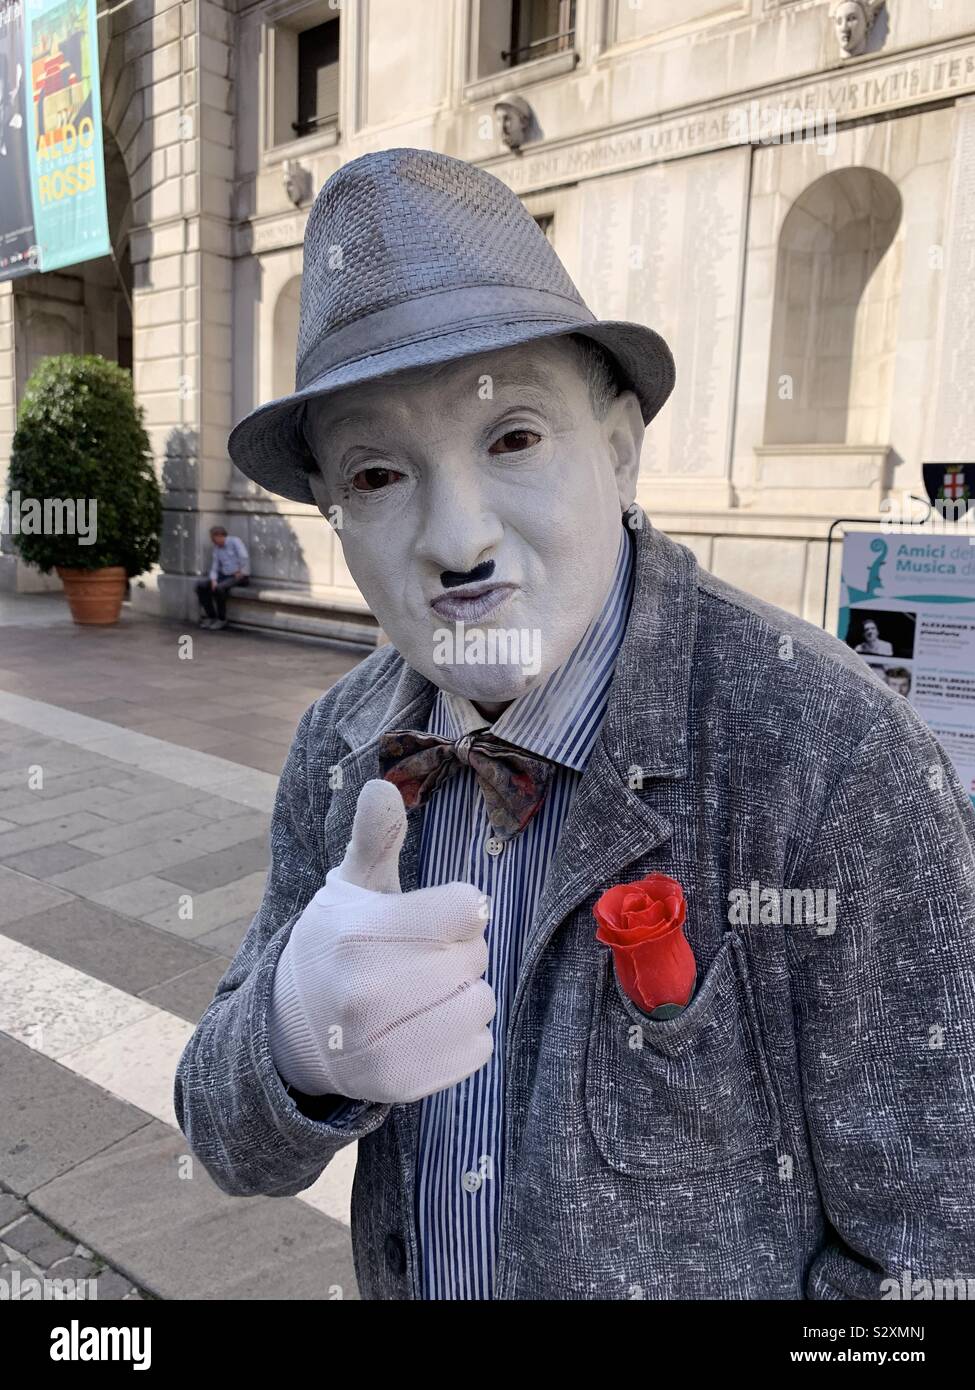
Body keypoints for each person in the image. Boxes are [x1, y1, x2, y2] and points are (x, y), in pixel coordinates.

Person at [174, 148, 975, 1300]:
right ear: (337, 516)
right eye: (380, 473)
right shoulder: (341, 752)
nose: (456, 540)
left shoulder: (832, 762)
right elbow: (225, 1138)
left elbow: (932, 1265)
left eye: (512, 440)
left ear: (618, 448)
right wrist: (292, 1047)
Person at [195, 525, 249, 629]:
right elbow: (214, 567)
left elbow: (244, 556)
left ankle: (222, 619)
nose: (213, 541)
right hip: (224, 575)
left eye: (213, 538)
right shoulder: (216, 548)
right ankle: (211, 616)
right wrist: (214, 579)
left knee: (220, 588)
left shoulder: (234, 541)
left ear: (220, 536)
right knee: (201, 586)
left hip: (240, 575)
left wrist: (239, 569)